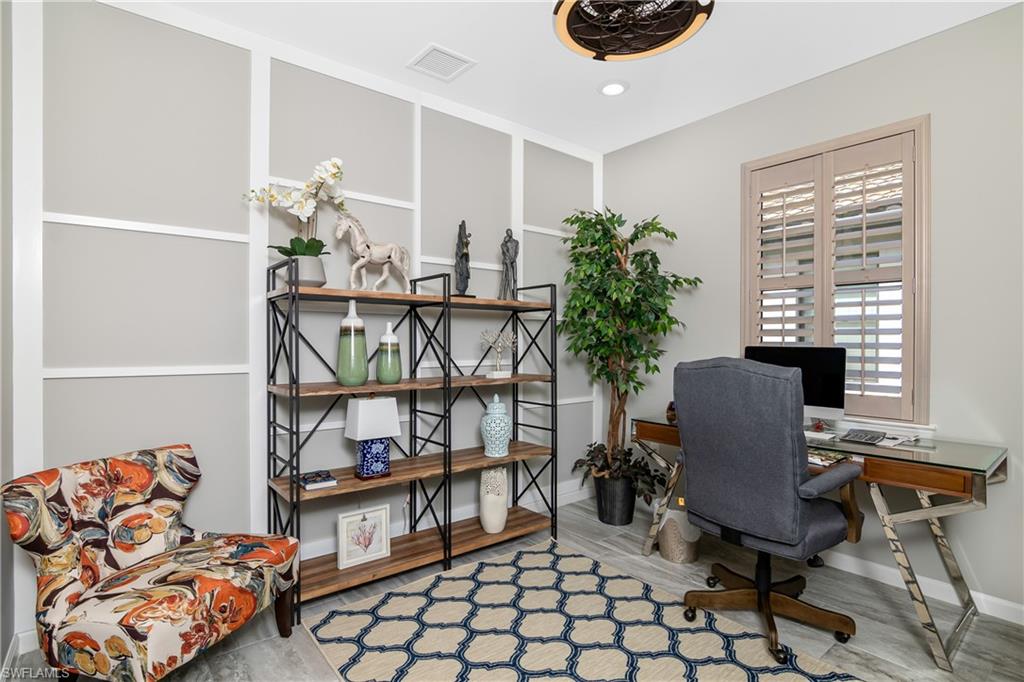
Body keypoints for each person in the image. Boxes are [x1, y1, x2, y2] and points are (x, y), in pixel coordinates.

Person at [498, 228, 519, 300]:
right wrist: (509, 258)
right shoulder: (505, 243)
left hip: (514, 261)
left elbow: (517, 251)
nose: (510, 233)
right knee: (507, 278)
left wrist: (514, 258)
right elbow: (504, 252)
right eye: (508, 233)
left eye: (510, 232)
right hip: (508, 261)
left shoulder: (516, 242)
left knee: (515, 278)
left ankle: (515, 297)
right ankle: (505, 297)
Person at [454, 220, 471, 296]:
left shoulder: (465, 250)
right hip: (461, 266)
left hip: (464, 265)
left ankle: (462, 291)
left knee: (464, 279)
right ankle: (461, 291)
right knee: (461, 279)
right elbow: (458, 256)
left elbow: (467, 259)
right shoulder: (459, 248)